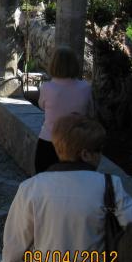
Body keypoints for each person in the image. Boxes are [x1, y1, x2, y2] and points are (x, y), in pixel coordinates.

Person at [2, 114, 132, 262]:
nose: (101, 155)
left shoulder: (31, 187)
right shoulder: (110, 185)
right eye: (99, 150)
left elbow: (17, 236)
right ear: (85, 154)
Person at [35, 46, 93, 174]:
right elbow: (90, 111)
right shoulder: (86, 88)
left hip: (49, 140)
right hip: (76, 142)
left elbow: (42, 106)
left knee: (44, 178)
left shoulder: (47, 87)